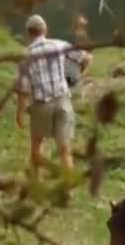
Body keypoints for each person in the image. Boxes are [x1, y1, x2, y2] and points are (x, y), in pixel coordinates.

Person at [15, 14, 92, 172]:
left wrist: (20, 114)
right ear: (45, 30)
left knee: (36, 146)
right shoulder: (59, 45)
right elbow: (86, 58)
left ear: (28, 33)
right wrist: (76, 76)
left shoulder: (25, 55)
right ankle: (68, 188)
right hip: (63, 101)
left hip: (41, 105)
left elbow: (23, 88)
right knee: (65, 150)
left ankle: (37, 182)